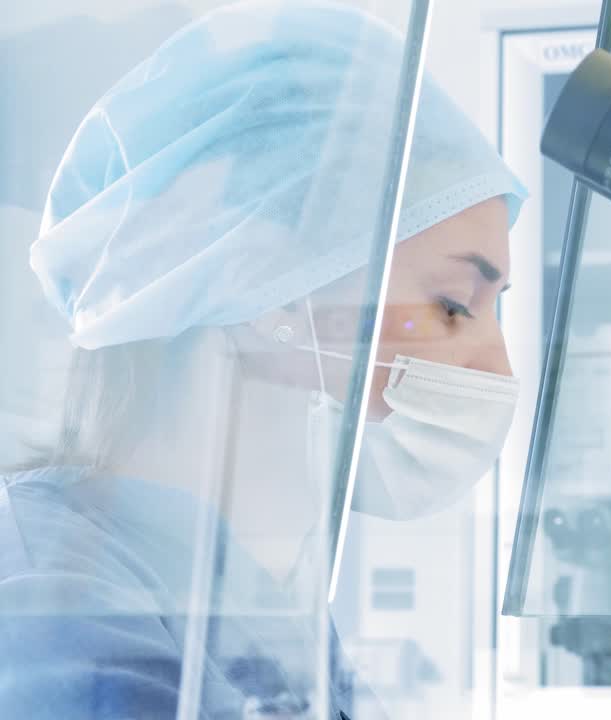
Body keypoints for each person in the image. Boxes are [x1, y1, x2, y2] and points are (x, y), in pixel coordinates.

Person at [0, 1, 526, 717]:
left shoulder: (253, 590)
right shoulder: (55, 616)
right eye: (454, 306)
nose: (497, 373)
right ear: (263, 282)